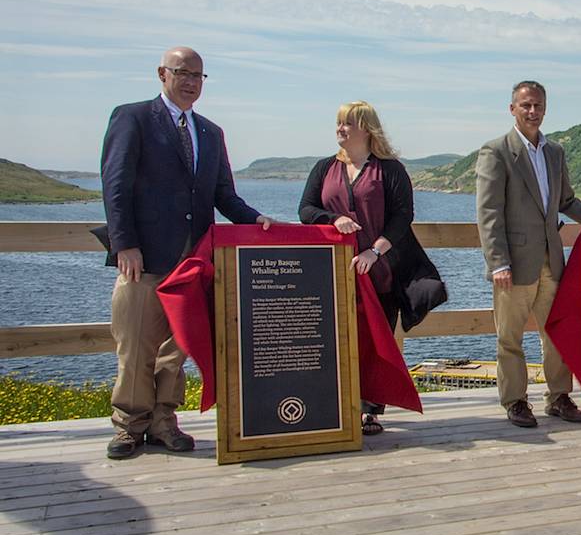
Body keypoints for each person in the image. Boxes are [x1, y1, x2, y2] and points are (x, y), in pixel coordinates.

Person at [101, 47, 273, 459]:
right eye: (183, 73)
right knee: (135, 347)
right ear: (162, 73)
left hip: (190, 263)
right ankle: (128, 426)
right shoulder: (133, 117)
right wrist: (124, 243)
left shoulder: (211, 133)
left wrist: (255, 219)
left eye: (198, 75)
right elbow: (116, 184)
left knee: (174, 352)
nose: (192, 81)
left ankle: (164, 423)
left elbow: (223, 195)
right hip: (141, 261)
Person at [476, 80, 581, 427]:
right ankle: (514, 401)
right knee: (509, 337)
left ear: (545, 109)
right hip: (512, 265)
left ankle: (558, 397)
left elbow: (567, 202)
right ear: (512, 109)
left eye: (538, 105)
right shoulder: (495, 151)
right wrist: (498, 263)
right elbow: (489, 213)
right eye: (525, 105)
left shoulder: (555, 152)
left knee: (557, 331)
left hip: (551, 262)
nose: (532, 111)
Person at [299, 100, 444, 434]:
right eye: (338, 123)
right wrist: (333, 219)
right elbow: (305, 209)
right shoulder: (324, 168)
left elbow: (402, 216)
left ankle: (370, 411)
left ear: (366, 128)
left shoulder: (390, 170)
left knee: (376, 340)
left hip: (380, 271)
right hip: (335, 273)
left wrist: (374, 253)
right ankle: (334, 405)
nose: (340, 129)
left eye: (347, 123)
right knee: (336, 340)